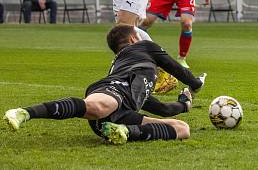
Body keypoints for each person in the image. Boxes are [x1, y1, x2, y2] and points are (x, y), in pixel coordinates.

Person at [3, 25, 207, 145]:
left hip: (116, 116)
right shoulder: (144, 47)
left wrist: (184, 104)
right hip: (113, 91)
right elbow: (175, 68)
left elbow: (161, 108)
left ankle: (125, 132)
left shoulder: (128, 65)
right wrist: (195, 83)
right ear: (135, 38)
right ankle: (24, 113)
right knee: (101, 106)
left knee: (182, 129)